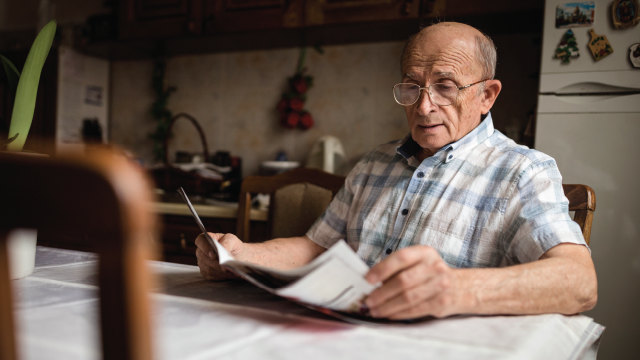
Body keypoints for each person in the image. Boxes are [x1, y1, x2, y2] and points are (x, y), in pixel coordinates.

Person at [195, 22, 597, 320]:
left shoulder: (522, 171)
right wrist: (241, 255)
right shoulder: (374, 164)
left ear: (486, 95)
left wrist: (454, 289)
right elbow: (316, 248)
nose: (423, 107)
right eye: (412, 86)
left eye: (445, 86)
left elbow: (579, 284)